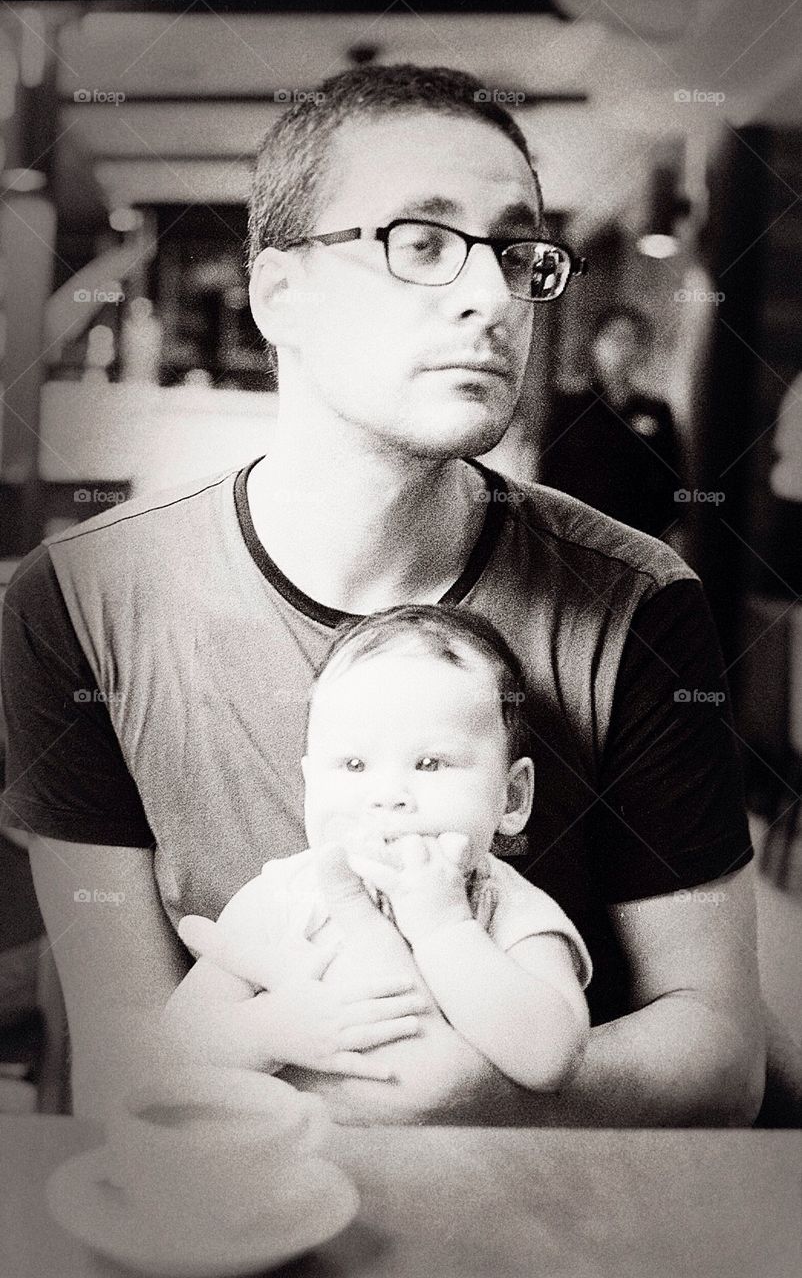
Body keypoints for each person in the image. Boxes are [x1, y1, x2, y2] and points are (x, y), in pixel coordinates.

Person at [1, 63, 764, 1127]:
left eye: (516, 253)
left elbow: (724, 1059)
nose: (492, 297)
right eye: (423, 242)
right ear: (280, 294)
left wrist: (467, 1095)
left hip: (542, 1200)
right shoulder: (78, 600)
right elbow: (124, 1056)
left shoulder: (637, 599)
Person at [164, 605, 591, 1113]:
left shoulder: (508, 907)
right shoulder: (284, 898)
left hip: (447, 1158)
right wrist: (269, 1030)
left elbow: (551, 1059)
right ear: (310, 785)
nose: (388, 796)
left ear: (512, 797)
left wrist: (445, 929)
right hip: (294, 1151)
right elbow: (175, 1048)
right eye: (354, 764)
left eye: (429, 763)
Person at [539, 306, 683, 540]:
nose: (621, 349)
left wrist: (673, 535)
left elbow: (671, 483)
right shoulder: (570, 406)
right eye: (614, 338)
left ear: (641, 350)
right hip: (579, 535)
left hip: (639, 536)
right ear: (595, 345)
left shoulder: (656, 410)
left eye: (630, 340)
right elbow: (549, 475)